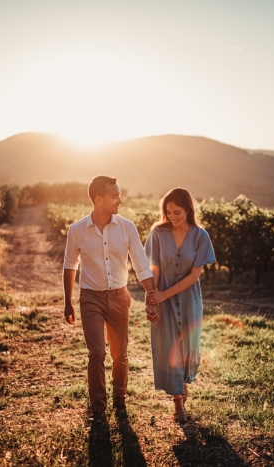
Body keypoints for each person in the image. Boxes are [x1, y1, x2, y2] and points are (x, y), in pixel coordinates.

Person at [62, 175, 157, 417]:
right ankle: (98, 407)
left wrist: (152, 295)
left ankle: (120, 399)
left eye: (119, 194)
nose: (120, 200)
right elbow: (69, 265)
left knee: (119, 353)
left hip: (119, 296)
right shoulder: (77, 230)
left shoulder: (127, 227)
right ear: (98, 199)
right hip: (90, 298)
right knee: (97, 352)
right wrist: (67, 302)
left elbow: (141, 264)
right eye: (115, 196)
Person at [144, 187, 216, 423]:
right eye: (168, 212)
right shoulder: (157, 233)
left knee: (188, 346)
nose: (172, 217)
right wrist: (152, 299)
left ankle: (183, 386)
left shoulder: (200, 236)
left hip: (188, 299)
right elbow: (153, 269)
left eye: (177, 212)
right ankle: (177, 403)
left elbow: (194, 276)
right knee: (169, 346)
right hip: (161, 299)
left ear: (188, 210)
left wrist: (164, 295)